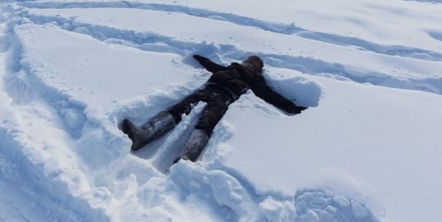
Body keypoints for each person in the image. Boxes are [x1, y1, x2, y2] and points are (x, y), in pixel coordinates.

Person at [120, 54, 306, 163]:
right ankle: (143, 135)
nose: (247, 65)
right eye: (247, 62)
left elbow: (272, 96)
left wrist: (292, 107)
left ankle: (186, 156)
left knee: (207, 121)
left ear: (256, 70)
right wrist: (199, 57)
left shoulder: (256, 81)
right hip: (207, 90)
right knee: (181, 108)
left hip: (224, 98)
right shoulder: (229, 68)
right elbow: (210, 65)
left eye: (251, 64)